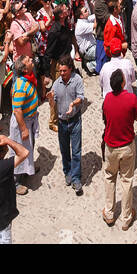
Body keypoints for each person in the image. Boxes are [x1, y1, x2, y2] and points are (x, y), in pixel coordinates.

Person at [102, 67, 137, 230]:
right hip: (127, 146)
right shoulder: (131, 99)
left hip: (111, 147)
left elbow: (104, 119)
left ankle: (109, 213)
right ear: (123, 83)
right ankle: (126, 217)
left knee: (110, 177)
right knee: (127, 180)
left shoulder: (107, 100)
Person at [52, 54, 84, 194]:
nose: (62, 73)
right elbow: (53, 102)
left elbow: (81, 97)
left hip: (75, 120)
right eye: (60, 71)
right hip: (62, 122)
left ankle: (76, 177)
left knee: (76, 151)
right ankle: (68, 172)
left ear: (70, 69)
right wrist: (50, 99)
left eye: (64, 71)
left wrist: (73, 104)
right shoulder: (56, 83)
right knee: (64, 150)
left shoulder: (77, 80)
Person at [10, 57, 39, 193]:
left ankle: (28, 168)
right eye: (28, 60)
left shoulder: (28, 79)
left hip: (30, 119)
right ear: (25, 69)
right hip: (23, 123)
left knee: (29, 147)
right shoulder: (21, 85)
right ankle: (15, 181)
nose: (31, 59)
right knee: (19, 149)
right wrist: (23, 129)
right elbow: (17, 110)